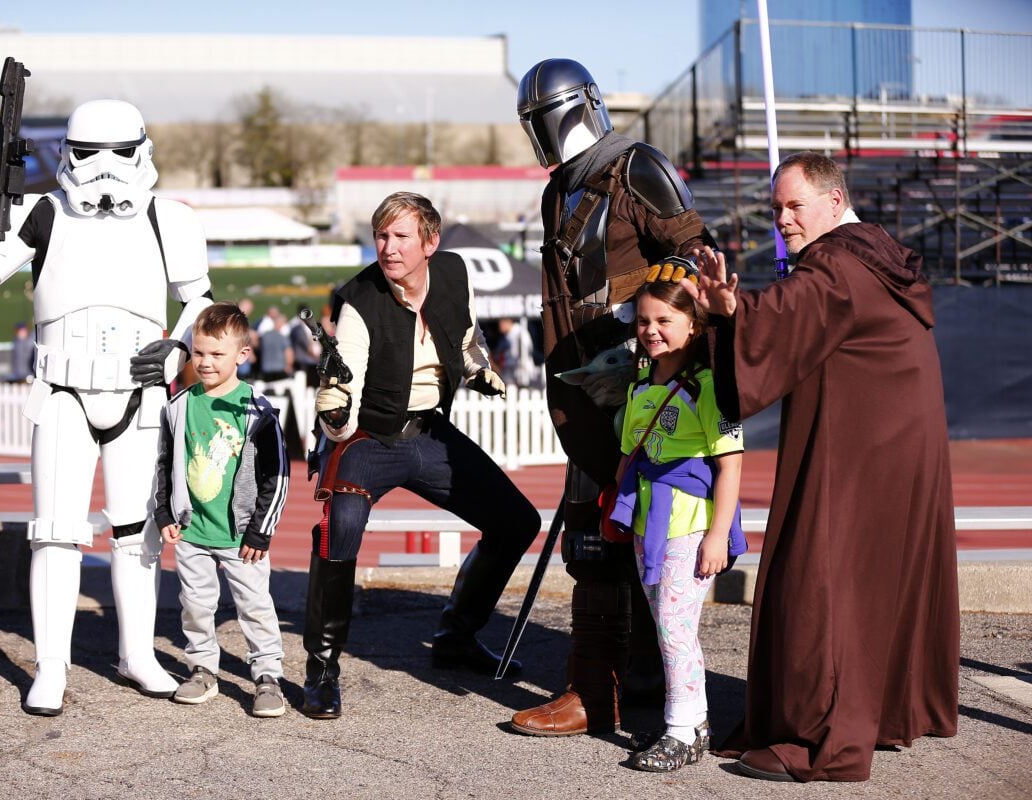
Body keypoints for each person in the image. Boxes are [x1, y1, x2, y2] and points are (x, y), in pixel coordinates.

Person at [686, 151, 959, 782]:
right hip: (901, 443)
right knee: (873, 580)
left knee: (825, 575)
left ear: (834, 202)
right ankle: (886, 713)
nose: (781, 218)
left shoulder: (837, 263)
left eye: (794, 205)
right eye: (775, 207)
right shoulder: (876, 252)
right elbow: (799, 311)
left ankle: (823, 739)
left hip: (863, 448)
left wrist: (731, 313)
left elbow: (790, 310)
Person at [0, 99, 213, 716]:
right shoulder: (45, 212)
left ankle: (138, 655)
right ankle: (51, 668)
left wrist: (178, 351)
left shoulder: (170, 218)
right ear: (67, 150)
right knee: (56, 535)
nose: (103, 167)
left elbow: (200, 300)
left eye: (119, 151)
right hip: (62, 390)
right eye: (88, 151)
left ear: (142, 150)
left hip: (137, 393)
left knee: (136, 534)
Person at [510, 58, 717, 737]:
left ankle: (634, 679)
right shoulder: (555, 192)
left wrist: (640, 324)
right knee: (594, 535)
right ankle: (599, 684)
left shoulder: (637, 167)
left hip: (644, 388)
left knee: (647, 536)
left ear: (580, 106)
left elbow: (694, 256)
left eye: (548, 118)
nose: (544, 134)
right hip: (583, 388)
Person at [300, 191, 540, 720]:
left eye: (400, 236)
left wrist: (476, 367)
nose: (387, 247)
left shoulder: (454, 271)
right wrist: (334, 413)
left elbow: (466, 330)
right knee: (338, 532)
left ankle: (456, 637)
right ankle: (320, 669)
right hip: (367, 439)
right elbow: (346, 377)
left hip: (430, 433)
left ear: (430, 243)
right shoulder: (358, 300)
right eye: (381, 235)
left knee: (517, 522)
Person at [606, 263, 746, 772]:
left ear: (693, 324)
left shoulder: (711, 386)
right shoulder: (640, 384)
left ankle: (682, 729)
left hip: (691, 525)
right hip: (650, 524)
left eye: (664, 320)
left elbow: (730, 463)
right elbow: (629, 455)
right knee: (668, 623)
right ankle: (695, 721)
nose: (651, 331)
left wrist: (717, 537)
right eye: (643, 321)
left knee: (673, 625)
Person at [154, 301, 289, 717]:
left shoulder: (258, 411)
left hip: (242, 536)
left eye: (217, 354)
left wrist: (260, 531)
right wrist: (164, 514)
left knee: (255, 607)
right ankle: (202, 669)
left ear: (241, 356)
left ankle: (267, 677)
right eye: (199, 352)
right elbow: (163, 465)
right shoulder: (178, 406)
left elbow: (277, 476)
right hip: (192, 532)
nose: (206, 362)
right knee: (195, 606)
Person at [255, 306, 294, 384]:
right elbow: (289, 353)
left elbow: (257, 346)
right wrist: (289, 366)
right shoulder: (283, 337)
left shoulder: (264, 336)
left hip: (265, 369)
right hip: (280, 370)